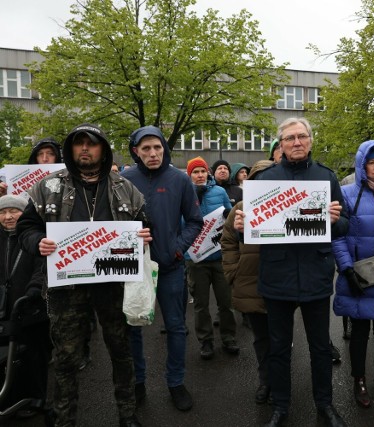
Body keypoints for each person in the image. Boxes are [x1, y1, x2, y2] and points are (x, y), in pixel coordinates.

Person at [17, 123, 150, 427]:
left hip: (113, 285)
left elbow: (145, 223)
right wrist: (37, 243)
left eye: (92, 143)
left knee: (121, 351)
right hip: (66, 286)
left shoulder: (124, 187)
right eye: (79, 143)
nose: (85, 149)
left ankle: (128, 415)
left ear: (103, 149)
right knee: (65, 359)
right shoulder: (49, 186)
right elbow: (27, 227)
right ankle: (65, 419)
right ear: (71, 149)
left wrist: (144, 235)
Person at [234, 117, 348, 427]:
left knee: (321, 348)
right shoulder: (264, 181)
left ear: (311, 141)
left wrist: (336, 220)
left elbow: (345, 226)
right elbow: (250, 235)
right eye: (289, 138)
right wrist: (242, 228)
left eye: (301, 137)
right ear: (280, 145)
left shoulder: (327, 178)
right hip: (277, 276)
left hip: (316, 275)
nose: (296, 142)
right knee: (279, 348)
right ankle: (281, 406)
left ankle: (324, 405)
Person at [121, 126, 203, 412]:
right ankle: (138, 382)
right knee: (133, 326)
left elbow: (195, 221)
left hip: (169, 266)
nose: (153, 153)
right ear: (136, 151)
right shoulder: (122, 179)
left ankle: (176, 383)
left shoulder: (180, 179)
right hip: (133, 268)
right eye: (146, 149)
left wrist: (177, 249)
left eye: (157, 147)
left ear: (164, 149)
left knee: (176, 327)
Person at [332, 140, 374, 409]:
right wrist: (347, 269)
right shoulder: (347, 194)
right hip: (360, 274)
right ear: (362, 165)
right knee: (359, 332)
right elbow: (338, 236)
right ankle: (358, 378)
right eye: (371, 162)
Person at [221, 159, 274, 404]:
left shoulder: (285, 206)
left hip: (280, 284)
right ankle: (266, 381)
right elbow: (228, 240)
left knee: (281, 339)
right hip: (250, 283)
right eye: (258, 180)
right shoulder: (240, 207)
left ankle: (281, 381)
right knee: (261, 339)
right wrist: (233, 270)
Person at [0, 195, 49, 419]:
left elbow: (43, 267)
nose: (8, 217)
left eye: (13, 211)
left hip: (31, 309)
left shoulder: (33, 237)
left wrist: (33, 291)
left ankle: (35, 397)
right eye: (2, 212)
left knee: (34, 355)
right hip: (4, 310)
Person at [183, 156, 236, 359]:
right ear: (190, 175)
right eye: (195, 172)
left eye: (202, 171)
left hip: (219, 256)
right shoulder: (184, 194)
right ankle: (206, 341)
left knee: (225, 301)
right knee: (201, 304)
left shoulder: (219, 191)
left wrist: (228, 216)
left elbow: (230, 218)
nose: (199, 175)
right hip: (196, 259)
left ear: (208, 173)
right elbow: (180, 224)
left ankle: (228, 337)